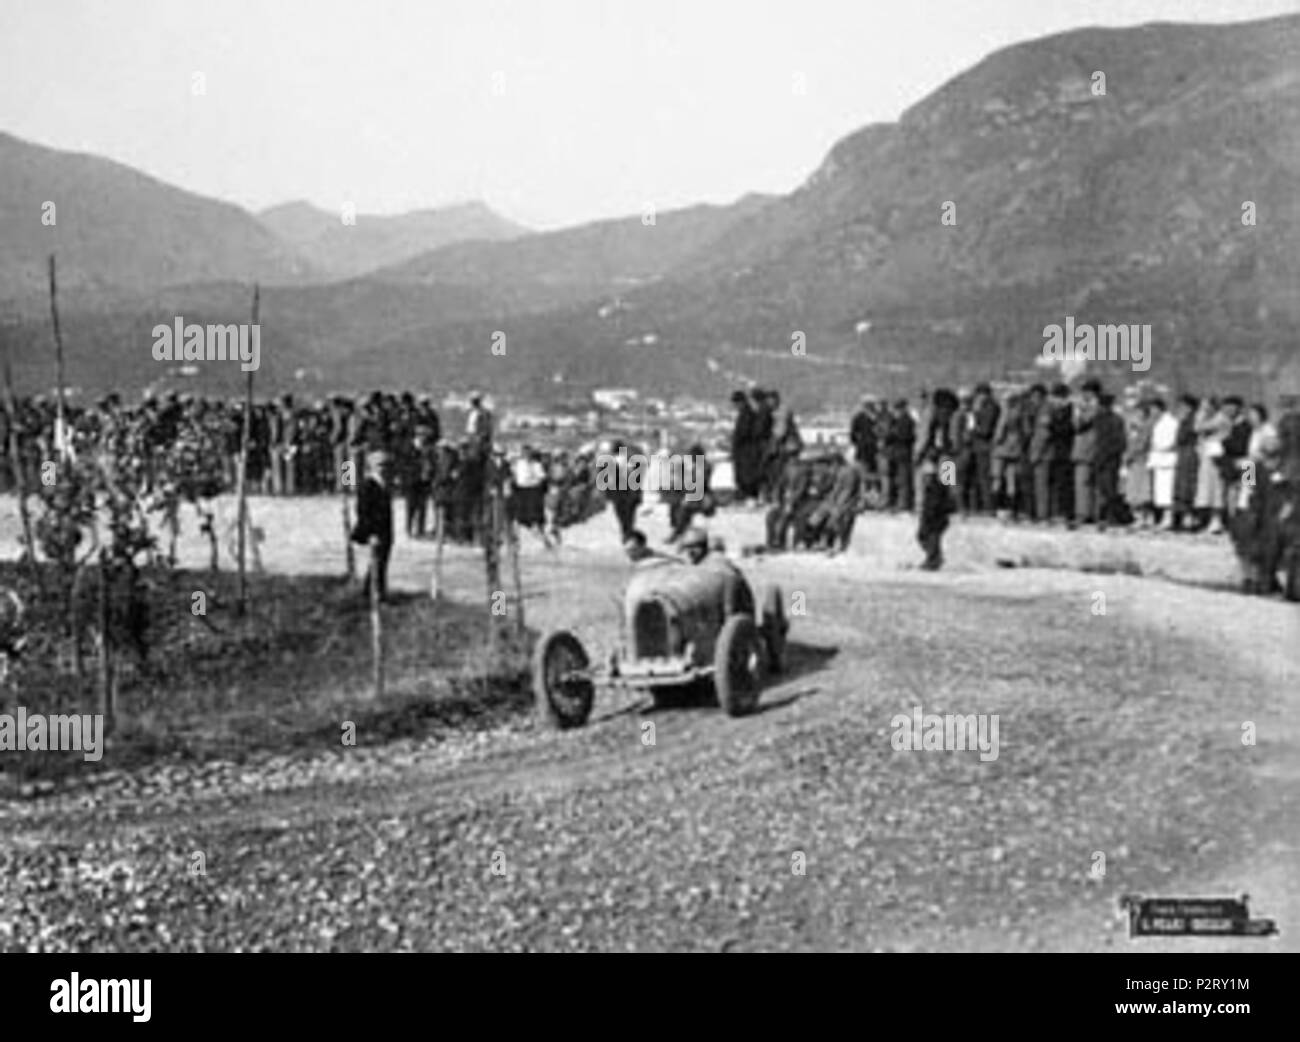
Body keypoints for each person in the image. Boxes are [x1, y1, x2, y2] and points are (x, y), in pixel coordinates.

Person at [351, 449, 394, 602]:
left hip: (385, 530)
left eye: (386, 465)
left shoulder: (384, 483)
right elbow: (363, 511)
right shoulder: (368, 485)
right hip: (375, 530)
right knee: (377, 562)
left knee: (382, 561)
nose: (384, 468)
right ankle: (372, 593)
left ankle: (377, 592)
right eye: (380, 465)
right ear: (372, 466)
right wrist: (370, 533)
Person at [916, 447, 955, 570]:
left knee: (931, 533)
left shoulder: (947, 463)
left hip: (938, 504)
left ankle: (933, 559)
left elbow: (948, 487)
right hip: (931, 502)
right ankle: (934, 557)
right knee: (924, 534)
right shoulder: (943, 463)